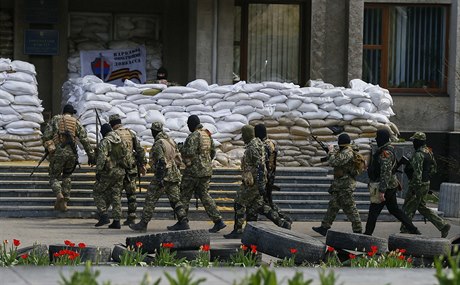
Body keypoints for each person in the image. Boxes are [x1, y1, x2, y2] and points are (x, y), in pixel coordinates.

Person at [224, 125, 291, 239]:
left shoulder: (252, 147)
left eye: (244, 134)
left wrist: (260, 185)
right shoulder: (258, 144)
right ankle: (281, 223)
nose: (243, 137)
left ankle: (238, 230)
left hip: (253, 183)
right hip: (256, 182)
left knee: (239, 201)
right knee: (257, 206)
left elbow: (260, 166)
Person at [130, 122, 189, 232]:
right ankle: (183, 221)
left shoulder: (159, 143)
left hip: (163, 175)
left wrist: (159, 179)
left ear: (153, 132)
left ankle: (143, 223)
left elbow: (161, 162)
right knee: (175, 200)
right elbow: (177, 159)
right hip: (174, 174)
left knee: (150, 199)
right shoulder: (170, 141)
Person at [364, 129, 421, 236]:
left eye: (377, 137)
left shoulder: (385, 153)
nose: (376, 139)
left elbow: (385, 173)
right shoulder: (386, 150)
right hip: (390, 186)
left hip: (385, 187)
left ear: (382, 138)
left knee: (373, 211)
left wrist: (381, 191)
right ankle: (413, 229)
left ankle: (367, 234)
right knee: (395, 210)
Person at [42, 104, 95, 212]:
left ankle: (59, 194)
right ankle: (65, 202)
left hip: (58, 153)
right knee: (67, 176)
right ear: (72, 113)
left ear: (63, 112)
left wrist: (48, 145)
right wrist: (91, 156)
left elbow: (46, 136)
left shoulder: (55, 120)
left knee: (54, 177)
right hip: (72, 154)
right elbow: (84, 140)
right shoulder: (76, 122)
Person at [178, 115, 226, 233]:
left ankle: (182, 221)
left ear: (191, 124)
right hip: (206, 171)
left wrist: (181, 148)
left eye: (188, 124)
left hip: (194, 172)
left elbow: (189, 152)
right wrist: (205, 162)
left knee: (184, 195)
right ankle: (218, 221)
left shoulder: (194, 136)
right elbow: (213, 152)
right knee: (204, 195)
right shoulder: (207, 135)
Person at [401, 132, 451, 238]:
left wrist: (415, 187)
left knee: (408, 207)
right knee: (422, 207)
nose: (413, 143)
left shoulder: (418, 154)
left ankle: (405, 230)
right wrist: (426, 179)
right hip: (425, 183)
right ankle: (442, 225)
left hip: (417, 185)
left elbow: (417, 173)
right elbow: (434, 169)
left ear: (418, 142)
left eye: (415, 141)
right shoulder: (428, 152)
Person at [312, 133, 362, 236]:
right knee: (333, 206)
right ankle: (324, 227)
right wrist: (330, 150)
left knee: (350, 208)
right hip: (340, 184)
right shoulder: (343, 151)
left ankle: (358, 230)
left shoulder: (348, 152)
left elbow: (334, 162)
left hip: (346, 185)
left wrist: (330, 152)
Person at [109, 114, 147, 226]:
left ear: (112, 124)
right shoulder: (130, 133)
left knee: (116, 194)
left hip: (118, 169)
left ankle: (116, 220)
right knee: (131, 194)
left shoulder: (112, 135)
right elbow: (139, 150)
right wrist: (143, 164)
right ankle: (131, 217)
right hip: (131, 168)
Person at [254, 123, 292, 224]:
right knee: (268, 201)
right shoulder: (271, 143)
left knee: (262, 203)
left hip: (265, 177)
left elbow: (263, 163)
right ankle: (284, 218)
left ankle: (282, 221)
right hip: (271, 175)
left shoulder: (263, 145)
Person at [93, 124, 129, 229]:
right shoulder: (121, 140)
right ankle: (116, 221)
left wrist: (98, 171)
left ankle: (103, 215)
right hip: (120, 171)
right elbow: (126, 155)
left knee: (97, 192)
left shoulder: (105, 141)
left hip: (109, 172)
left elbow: (102, 158)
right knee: (116, 195)